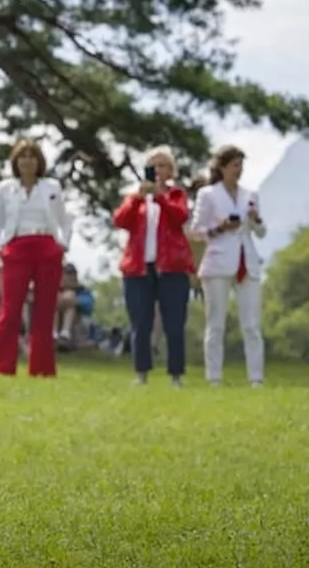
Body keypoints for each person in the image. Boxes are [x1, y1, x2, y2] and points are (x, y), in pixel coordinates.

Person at [0, 139, 72, 377]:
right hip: (16, 248)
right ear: (15, 161)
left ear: (39, 162)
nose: (27, 161)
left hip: (47, 246)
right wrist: (0, 248)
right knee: (10, 310)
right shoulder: (5, 188)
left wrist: (62, 245)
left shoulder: (52, 187)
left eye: (32, 156)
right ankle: (0, 367)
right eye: (22, 156)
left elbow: (65, 220)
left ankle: (42, 368)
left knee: (45, 311)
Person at [112, 146, 194, 386]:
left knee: (174, 323)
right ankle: (141, 373)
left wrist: (160, 196)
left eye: (162, 166)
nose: (157, 171)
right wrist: (137, 199)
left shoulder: (176, 195)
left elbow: (180, 216)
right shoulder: (135, 197)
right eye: (153, 166)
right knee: (140, 323)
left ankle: (176, 375)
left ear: (171, 170)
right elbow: (120, 220)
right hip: (138, 267)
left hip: (172, 267)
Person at [189, 144, 267, 387]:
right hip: (217, 261)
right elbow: (196, 232)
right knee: (216, 324)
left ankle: (256, 379)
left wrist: (255, 220)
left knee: (252, 324)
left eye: (241, 165)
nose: (239, 170)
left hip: (247, 260)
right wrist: (220, 227)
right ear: (222, 168)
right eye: (235, 165)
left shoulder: (250, 195)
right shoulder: (208, 195)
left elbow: (262, 232)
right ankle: (214, 378)